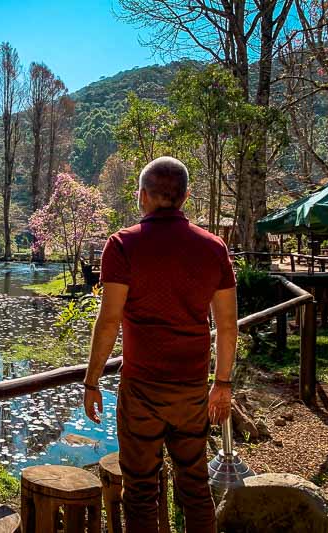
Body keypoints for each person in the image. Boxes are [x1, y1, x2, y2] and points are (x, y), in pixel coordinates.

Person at [83, 156, 237, 533]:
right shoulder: (214, 247)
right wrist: (222, 383)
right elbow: (228, 324)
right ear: (184, 197)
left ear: (142, 196)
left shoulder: (122, 245)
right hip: (191, 389)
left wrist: (91, 380)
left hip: (142, 390)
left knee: (140, 490)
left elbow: (108, 321)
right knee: (195, 486)